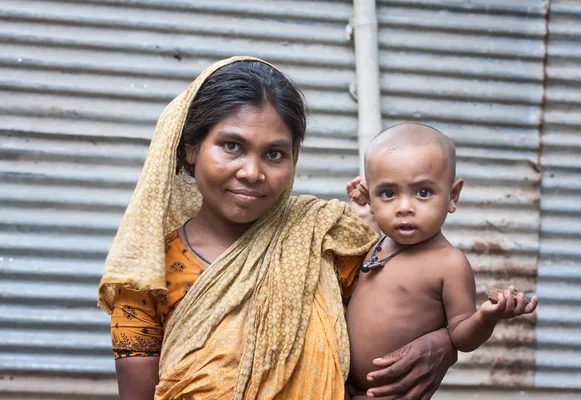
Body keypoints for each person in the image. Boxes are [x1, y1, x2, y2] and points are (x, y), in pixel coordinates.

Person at [98, 56, 457, 400]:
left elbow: (408, 307)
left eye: (274, 154)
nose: (252, 172)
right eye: (232, 146)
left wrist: (446, 342)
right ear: (191, 148)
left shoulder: (326, 240)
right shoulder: (148, 276)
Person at [344, 123, 539, 399]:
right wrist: (363, 212)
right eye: (388, 193)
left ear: (453, 195)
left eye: (423, 192)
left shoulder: (449, 263)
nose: (403, 208)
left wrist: (487, 316)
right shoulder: (374, 241)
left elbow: (461, 337)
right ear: (371, 198)